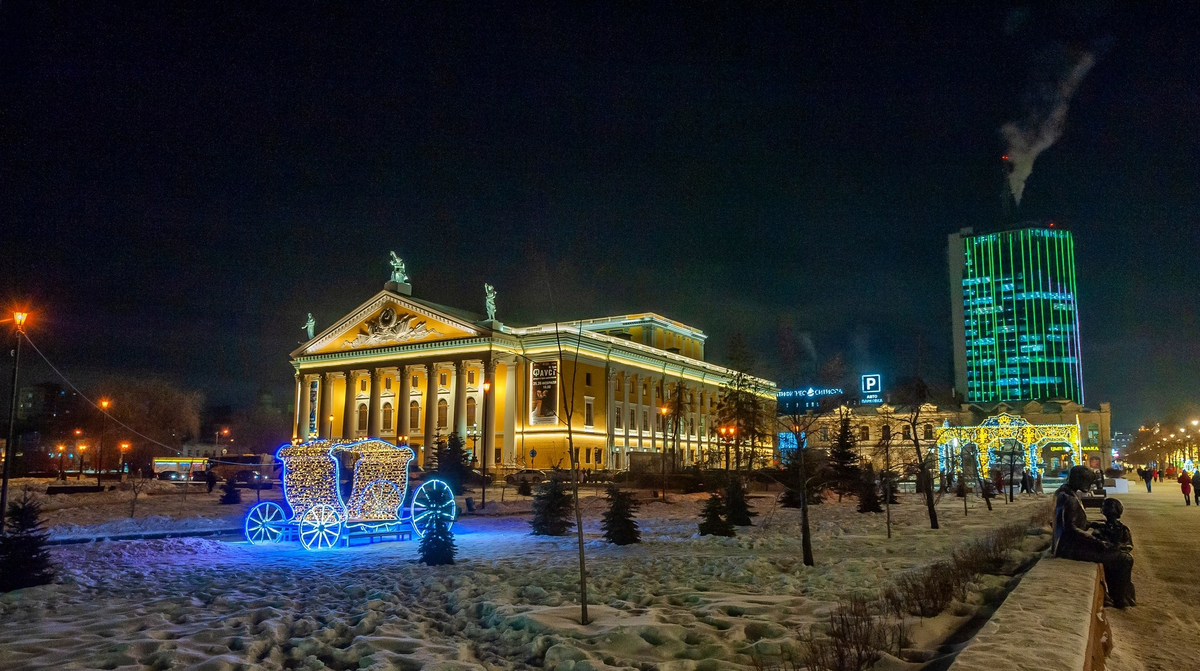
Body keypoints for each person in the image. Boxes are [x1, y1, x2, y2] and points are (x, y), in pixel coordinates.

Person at [1053, 466, 1135, 608]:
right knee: (1124, 559)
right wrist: (1097, 542)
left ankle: (1114, 595)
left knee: (1112, 554)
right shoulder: (1070, 498)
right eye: (1089, 481)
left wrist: (1092, 524)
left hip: (1064, 544)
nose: (1090, 485)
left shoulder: (1063, 492)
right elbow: (1071, 529)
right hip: (1069, 548)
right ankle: (1120, 598)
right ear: (1081, 480)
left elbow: (1071, 523)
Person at [1089, 498, 1136, 606]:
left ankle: (1121, 596)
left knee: (1122, 572)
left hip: (1116, 555)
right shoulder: (1101, 528)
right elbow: (1097, 539)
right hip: (1109, 556)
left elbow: (1129, 544)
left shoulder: (1123, 529)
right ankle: (1116, 596)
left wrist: (1120, 546)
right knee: (1112, 576)